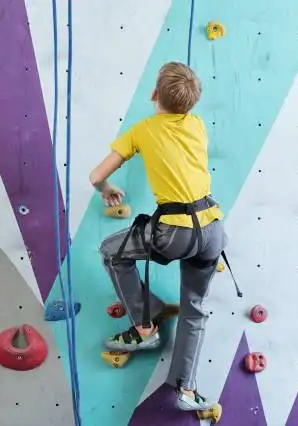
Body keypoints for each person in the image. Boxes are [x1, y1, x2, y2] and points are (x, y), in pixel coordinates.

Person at [89, 62, 234, 412]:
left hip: (174, 231)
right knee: (195, 308)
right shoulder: (197, 125)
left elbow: (96, 175)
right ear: (192, 104)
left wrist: (107, 189)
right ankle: (186, 389)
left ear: (154, 94)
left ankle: (144, 327)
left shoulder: (142, 130)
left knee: (112, 253)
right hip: (213, 229)